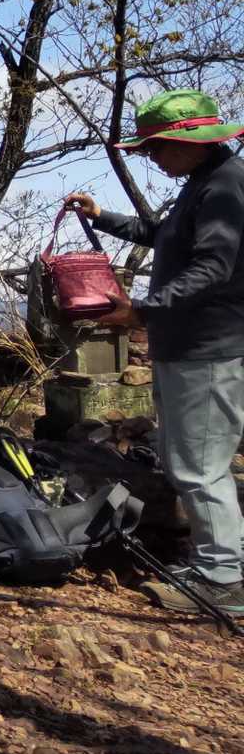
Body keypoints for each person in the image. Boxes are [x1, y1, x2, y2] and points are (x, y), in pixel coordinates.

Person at [65, 88, 244, 617]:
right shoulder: (205, 184)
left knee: (200, 467)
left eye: (156, 148)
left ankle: (223, 579)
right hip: (187, 348)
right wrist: (103, 216)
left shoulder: (226, 187)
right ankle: (218, 562)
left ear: (189, 142)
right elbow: (165, 236)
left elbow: (213, 268)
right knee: (189, 460)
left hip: (207, 350)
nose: (152, 158)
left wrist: (142, 311)